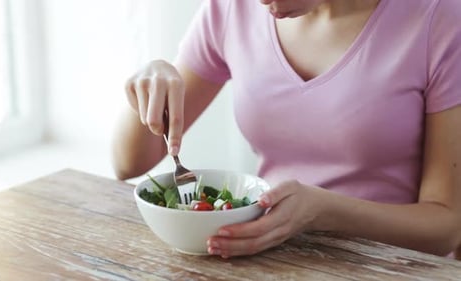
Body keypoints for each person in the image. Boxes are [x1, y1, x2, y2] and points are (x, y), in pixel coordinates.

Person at [113, 0, 461, 259]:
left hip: (393, 266)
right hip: (270, 261)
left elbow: (446, 228)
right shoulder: (233, 9)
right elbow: (128, 163)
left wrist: (322, 212)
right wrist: (149, 83)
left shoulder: (439, 19)